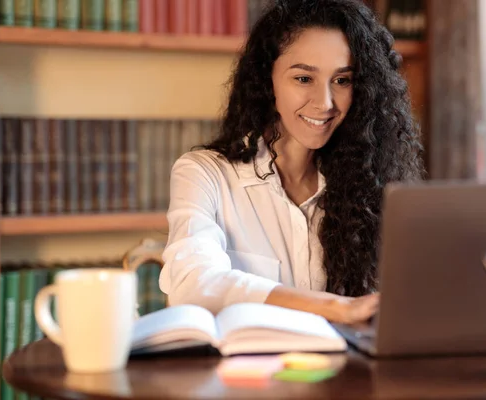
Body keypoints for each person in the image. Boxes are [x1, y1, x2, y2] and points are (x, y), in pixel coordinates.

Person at [159, 0, 424, 325]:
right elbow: (193, 284)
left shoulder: (368, 182)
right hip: (243, 374)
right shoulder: (204, 174)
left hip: (341, 373)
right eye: (303, 79)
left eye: (342, 81)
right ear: (266, 80)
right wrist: (337, 308)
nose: (325, 103)